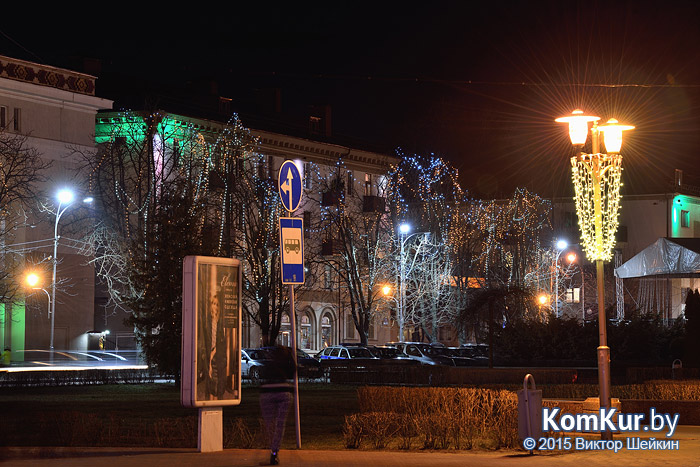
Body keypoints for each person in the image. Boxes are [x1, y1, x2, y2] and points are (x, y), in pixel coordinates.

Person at [259, 344, 296, 465]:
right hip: (283, 392)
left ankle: (273, 449)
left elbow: (262, 374)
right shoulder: (287, 363)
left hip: (267, 393)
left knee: (270, 425)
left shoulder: (270, 363)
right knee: (280, 424)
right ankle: (274, 452)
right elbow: (294, 370)